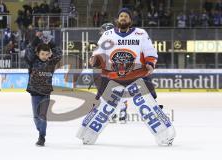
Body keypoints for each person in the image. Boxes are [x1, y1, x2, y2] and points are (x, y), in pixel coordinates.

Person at [78, 8, 174, 145]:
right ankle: (87, 135)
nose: (123, 18)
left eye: (126, 16)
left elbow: (150, 51)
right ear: (117, 19)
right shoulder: (108, 34)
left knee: (148, 106)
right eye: (121, 16)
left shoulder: (141, 33)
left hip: (138, 76)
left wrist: (150, 63)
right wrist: (95, 60)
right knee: (103, 108)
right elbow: (99, 52)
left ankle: (166, 136)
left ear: (130, 20)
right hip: (113, 77)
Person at [24, 31, 62, 146]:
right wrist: (36, 39)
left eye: (47, 54)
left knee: (42, 116)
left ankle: (42, 137)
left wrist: (50, 41)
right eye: (42, 54)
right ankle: (40, 130)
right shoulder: (32, 62)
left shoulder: (51, 62)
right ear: (38, 54)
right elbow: (29, 51)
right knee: (36, 117)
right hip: (34, 93)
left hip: (45, 93)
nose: (45, 56)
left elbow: (59, 53)